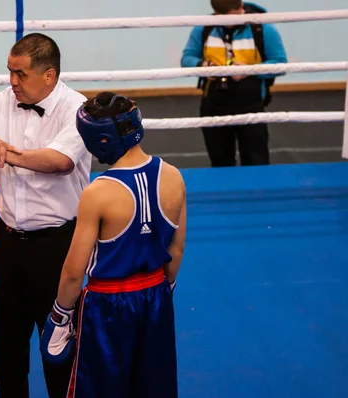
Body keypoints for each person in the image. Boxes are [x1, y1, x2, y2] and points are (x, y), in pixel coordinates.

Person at [0, 33, 92, 398]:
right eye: (10, 72)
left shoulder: (77, 109)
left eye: (20, 74)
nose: (12, 81)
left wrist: (3, 151)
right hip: (9, 242)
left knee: (60, 348)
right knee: (4, 346)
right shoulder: (5, 100)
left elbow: (60, 162)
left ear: (48, 75)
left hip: (59, 246)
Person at [40, 92, 187, 397]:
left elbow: (73, 271)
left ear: (101, 140)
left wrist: (60, 316)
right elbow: (176, 250)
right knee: (153, 387)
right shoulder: (173, 176)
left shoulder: (99, 192)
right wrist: (161, 291)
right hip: (155, 296)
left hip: (107, 306)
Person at [181, 0, 288, 167]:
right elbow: (187, 58)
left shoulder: (262, 28)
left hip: (251, 105)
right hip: (213, 103)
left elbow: (280, 64)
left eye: (235, 15)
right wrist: (204, 66)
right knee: (220, 162)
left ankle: (257, 193)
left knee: (256, 161)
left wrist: (250, 70)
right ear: (216, 14)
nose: (233, 21)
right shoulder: (204, 28)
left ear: (241, 7)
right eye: (227, 18)